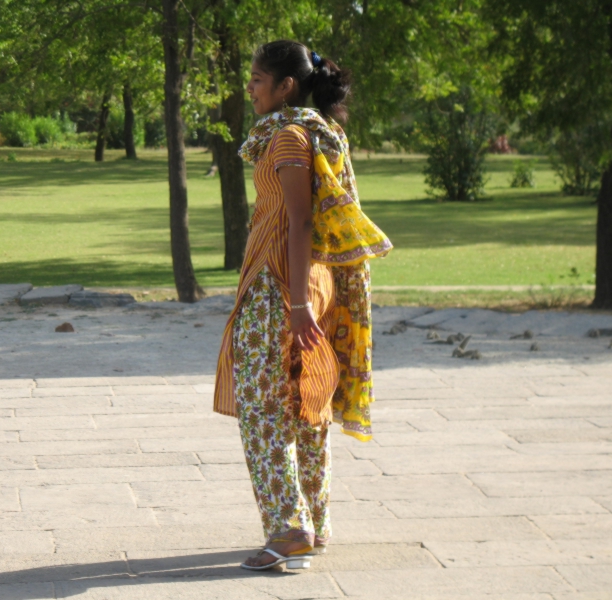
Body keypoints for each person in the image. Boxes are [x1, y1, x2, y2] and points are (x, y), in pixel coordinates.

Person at [213, 40, 393, 571]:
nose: (250, 87)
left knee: (263, 409)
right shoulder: (316, 132)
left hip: (280, 288)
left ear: (286, 86)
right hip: (307, 285)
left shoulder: (289, 138)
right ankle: (311, 521)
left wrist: (294, 304)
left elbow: (300, 222)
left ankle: (289, 527)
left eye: (258, 79)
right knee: (305, 404)